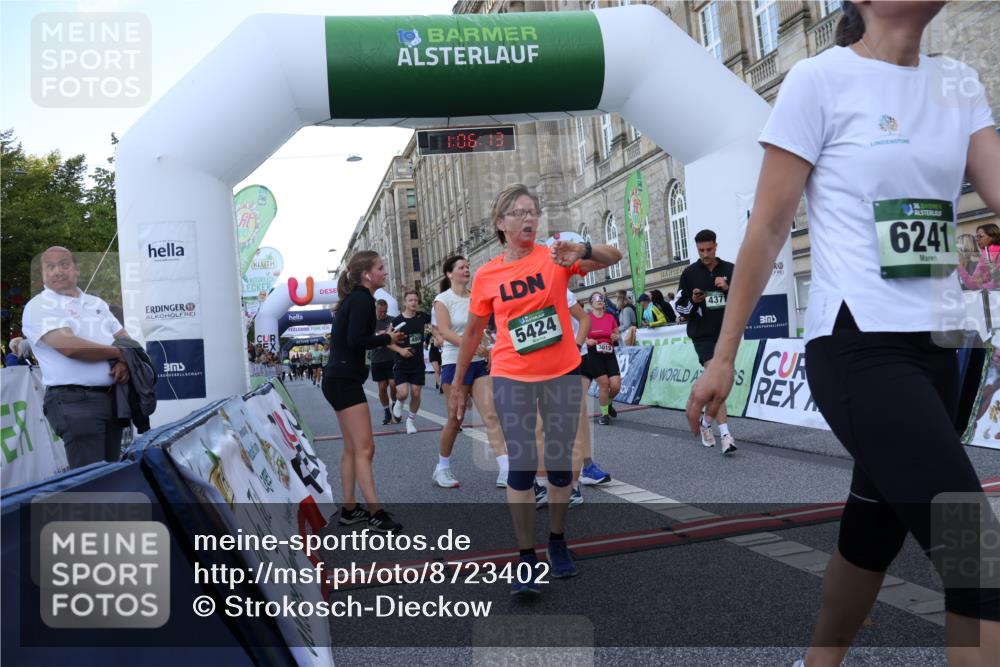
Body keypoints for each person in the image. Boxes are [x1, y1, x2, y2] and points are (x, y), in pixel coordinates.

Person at [686, 1, 1000, 664]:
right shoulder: (819, 79)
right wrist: (723, 357)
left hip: (944, 348)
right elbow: (769, 228)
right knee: (978, 558)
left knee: (871, 529)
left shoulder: (957, 82)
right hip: (860, 347)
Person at [448, 183, 622, 595]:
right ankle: (526, 557)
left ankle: (557, 540)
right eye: (518, 213)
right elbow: (473, 333)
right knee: (523, 468)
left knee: (560, 467)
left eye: (532, 212)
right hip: (512, 375)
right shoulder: (488, 275)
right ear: (500, 223)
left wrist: (583, 250)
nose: (528, 219)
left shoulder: (555, 256)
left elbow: (614, 257)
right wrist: (458, 384)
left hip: (561, 372)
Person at [21, 246, 131, 469]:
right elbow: (70, 347)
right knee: (91, 479)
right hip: (75, 401)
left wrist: (124, 361)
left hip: (112, 399)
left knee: (110, 473)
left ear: (76, 270)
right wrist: (119, 354)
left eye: (64, 264)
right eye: (50, 267)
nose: (57, 271)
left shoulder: (96, 303)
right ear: (43, 274)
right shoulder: (39, 306)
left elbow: (126, 339)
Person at [322, 251, 405, 533]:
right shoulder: (362, 300)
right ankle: (375, 514)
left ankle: (349, 509)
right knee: (366, 447)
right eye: (381, 268)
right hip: (344, 379)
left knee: (352, 448)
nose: (385, 271)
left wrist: (384, 338)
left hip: (338, 378)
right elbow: (356, 340)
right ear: (368, 275)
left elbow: (353, 339)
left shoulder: (355, 299)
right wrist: (386, 337)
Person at [432, 255, 508, 489]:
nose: (466, 270)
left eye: (468, 267)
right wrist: (473, 346)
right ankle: (442, 468)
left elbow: (480, 329)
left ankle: (506, 468)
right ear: (449, 273)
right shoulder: (442, 299)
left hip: (478, 363)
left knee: (491, 414)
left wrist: (488, 348)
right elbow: (445, 331)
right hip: (454, 362)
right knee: (455, 419)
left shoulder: (476, 296)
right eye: (461, 267)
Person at [675, 229, 737, 456]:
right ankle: (726, 435)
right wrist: (693, 301)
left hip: (726, 334)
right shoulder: (689, 273)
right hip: (703, 335)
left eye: (709, 249)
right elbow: (679, 308)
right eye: (701, 250)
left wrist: (728, 288)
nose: (705, 254)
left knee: (721, 383)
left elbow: (745, 298)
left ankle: (705, 421)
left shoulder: (730, 269)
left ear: (716, 246)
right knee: (717, 377)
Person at [389, 289, 430, 435]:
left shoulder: (422, 316)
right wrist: (400, 350)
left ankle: (410, 421)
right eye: (410, 300)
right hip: (401, 363)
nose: (413, 302)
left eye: (415, 300)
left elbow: (438, 318)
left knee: (416, 394)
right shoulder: (397, 321)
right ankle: (399, 403)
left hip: (417, 363)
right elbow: (387, 341)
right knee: (403, 394)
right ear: (405, 302)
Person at [583, 292, 622, 426]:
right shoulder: (587, 318)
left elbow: (617, 333)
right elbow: (580, 334)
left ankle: (608, 403)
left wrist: (616, 337)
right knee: (604, 384)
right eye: (596, 299)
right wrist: (587, 340)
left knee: (616, 386)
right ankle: (604, 415)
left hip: (609, 353)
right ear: (591, 303)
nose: (599, 301)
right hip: (594, 354)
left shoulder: (610, 317)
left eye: (601, 298)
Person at [371, 299, 398, 425]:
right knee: (382, 387)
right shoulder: (370, 321)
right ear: (375, 310)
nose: (383, 314)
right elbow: (366, 338)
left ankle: (395, 405)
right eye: (380, 311)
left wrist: (391, 333)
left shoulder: (392, 320)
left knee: (393, 384)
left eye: (385, 312)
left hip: (392, 358)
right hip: (377, 359)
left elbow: (398, 334)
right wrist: (380, 335)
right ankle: (387, 411)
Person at [958, 223, 1000, 290]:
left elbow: (997, 283)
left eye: (981, 236)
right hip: (986, 296)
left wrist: (993, 267)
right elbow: (972, 284)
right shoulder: (984, 256)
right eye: (977, 237)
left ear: (993, 237)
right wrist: (960, 266)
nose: (977, 239)